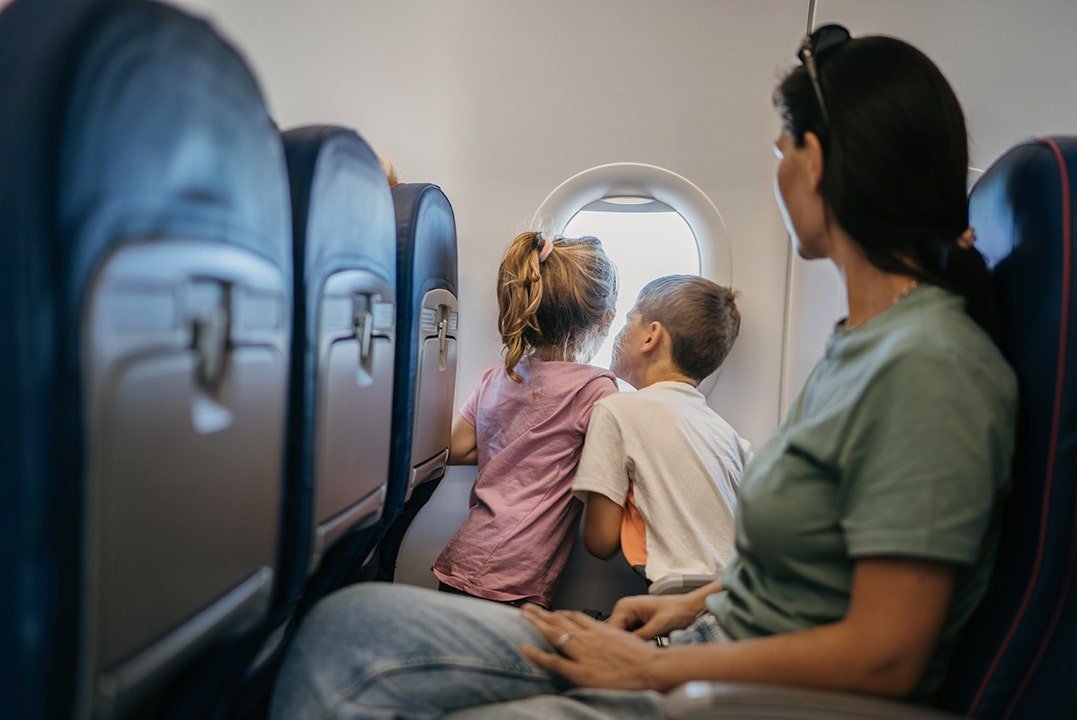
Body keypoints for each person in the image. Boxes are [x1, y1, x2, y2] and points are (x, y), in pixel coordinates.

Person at [271, 27, 1016, 719]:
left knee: (349, 658)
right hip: (700, 642)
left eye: (782, 150)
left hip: (732, 688)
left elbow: (887, 655)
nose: (778, 171)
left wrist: (654, 668)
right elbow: (801, 578)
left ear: (815, 162)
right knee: (345, 626)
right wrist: (685, 607)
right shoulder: (862, 347)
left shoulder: (929, 366)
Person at [432, 230, 619, 608]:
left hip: (465, 555)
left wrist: (515, 448)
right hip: (511, 577)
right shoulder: (596, 390)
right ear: (604, 320)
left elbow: (457, 447)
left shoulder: (499, 376)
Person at [573, 274, 750, 583]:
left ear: (651, 337)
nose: (620, 331)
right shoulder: (732, 439)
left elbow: (600, 541)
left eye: (629, 320)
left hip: (679, 596)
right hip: (736, 594)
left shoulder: (616, 410)